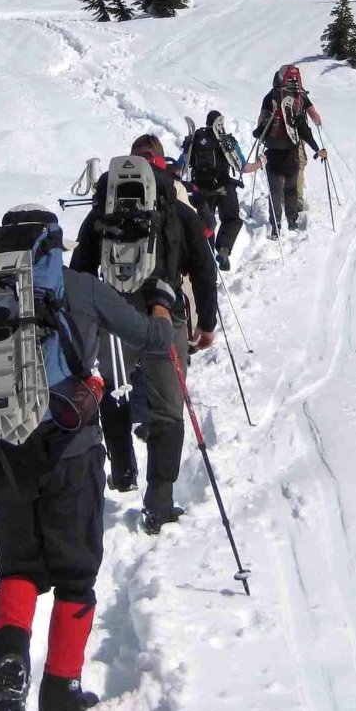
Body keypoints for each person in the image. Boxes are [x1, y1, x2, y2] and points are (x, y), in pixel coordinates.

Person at [0, 205, 178, 711]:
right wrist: (161, 300)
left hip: (3, 455)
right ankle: (60, 692)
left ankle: (7, 678)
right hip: (72, 449)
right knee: (75, 575)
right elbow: (153, 340)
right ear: (52, 242)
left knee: (19, 566)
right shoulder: (78, 288)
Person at [70, 134, 218, 531]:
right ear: (160, 161)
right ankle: (159, 504)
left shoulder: (105, 204)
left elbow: (81, 265)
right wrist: (206, 322)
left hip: (111, 315)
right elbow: (203, 265)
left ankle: (122, 472)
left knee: (115, 391)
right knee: (169, 409)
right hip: (163, 316)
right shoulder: (175, 202)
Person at [178, 110, 262, 272]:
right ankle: (223, 251)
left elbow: (181, 166)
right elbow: (243, 167)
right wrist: (260, 163)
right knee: (232, 220)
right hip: (224, 188)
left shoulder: (194, 140)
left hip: (200, 190)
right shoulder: (226, 141)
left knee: (205, 226)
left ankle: (205, 261)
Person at [255, 66, 325, 236]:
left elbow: (259, 126)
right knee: (291, 188)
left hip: (272, 151)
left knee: (275, 191)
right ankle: (292, 220)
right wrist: (318, 148)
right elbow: (308, 125)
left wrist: (262, 133)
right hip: (291, 151)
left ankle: (275, 225)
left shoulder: (270, 97)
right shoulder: (300, 97)